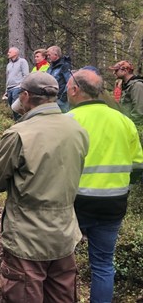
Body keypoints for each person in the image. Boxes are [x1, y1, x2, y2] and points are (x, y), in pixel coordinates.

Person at [0, 72, 89, 302]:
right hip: (64, 236)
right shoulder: (77, 130)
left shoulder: (19, 134)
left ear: (25, 96)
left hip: (27, 239)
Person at [67, 69, 143, 303]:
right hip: (113, 204)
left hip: (74, 204)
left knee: (62, 263)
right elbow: (138, 167)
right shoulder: (124, 121)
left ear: (75, 90)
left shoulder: (67, 122)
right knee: (102, 264)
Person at [109, 60, 143, 125]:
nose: (114, 73)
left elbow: (139, 111)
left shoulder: (137, 85)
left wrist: (132, 125)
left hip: (134, 126)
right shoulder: (126, 85)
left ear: (125, 71)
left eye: (116, 70)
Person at [4, 47, 29, 120]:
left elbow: (26, 75)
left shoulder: (22, 62)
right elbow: (8, 78)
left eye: (9, 52)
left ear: (15, 53)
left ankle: (21, 121)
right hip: (9, 89)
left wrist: (21, 86)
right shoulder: (9, 64)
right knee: (12, 107)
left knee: (17, 107)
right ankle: (16, 121)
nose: (8, 54)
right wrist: (6, 91)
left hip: (17, 87)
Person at [47, 45, 72, 112]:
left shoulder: (65, 66)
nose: (48, 57)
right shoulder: (50, 67)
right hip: (51, 99)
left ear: (56, 55)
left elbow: (69, 82)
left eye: (49, 55)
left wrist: (62, 98)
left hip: (61, 101)